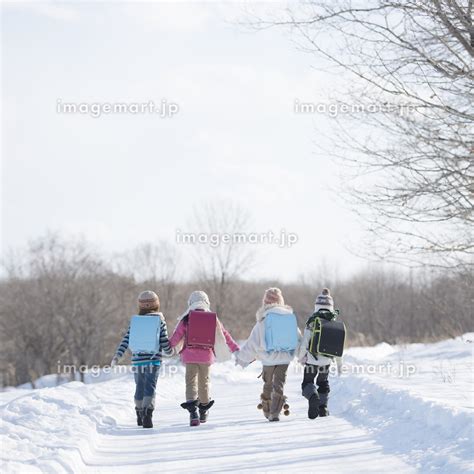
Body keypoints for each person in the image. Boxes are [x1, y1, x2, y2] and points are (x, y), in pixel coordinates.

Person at [169, 290, 240, 426]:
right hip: (206, 356)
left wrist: (166, 346)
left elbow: (176, 336)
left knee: (191, 382)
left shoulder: (186, 318)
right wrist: (235, 348)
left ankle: (193, 413)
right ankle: (203, 410)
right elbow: (224, 335)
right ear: (207, 302)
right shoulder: (212, 318)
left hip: (189, 356)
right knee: (204, 382)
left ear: (190, 303)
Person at [235, 288, 300, 422]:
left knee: (268, 383)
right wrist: (302, 356)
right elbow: (298, 339)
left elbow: (252, 343)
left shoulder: (263, 320)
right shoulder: (289, 318)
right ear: (281, 301)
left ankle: (266, 409)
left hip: (268, 359)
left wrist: (242, 358)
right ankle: (275, 413)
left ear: (265, 303)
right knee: (279, 384)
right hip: (285, 358)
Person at [111, 290, 172, 428]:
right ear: (156, 304)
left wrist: (117, 355)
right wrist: (171, 350)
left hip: (138, 360)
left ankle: (139, 413)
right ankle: (147, 414)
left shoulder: (136, 322)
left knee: (139, 386)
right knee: (150, 386)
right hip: (153, 360)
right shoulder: (159, 320)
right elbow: (164, 341)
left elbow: (126, 340)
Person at [297, 288, 336, 419]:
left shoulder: (312, 322)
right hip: (326, 361)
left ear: (316, 306)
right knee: (323, 382)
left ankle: (313, 396)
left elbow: (305, 343)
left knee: (307, 382)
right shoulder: (333, 322)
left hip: (312, 360)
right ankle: (323, 408)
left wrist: (301, 356)